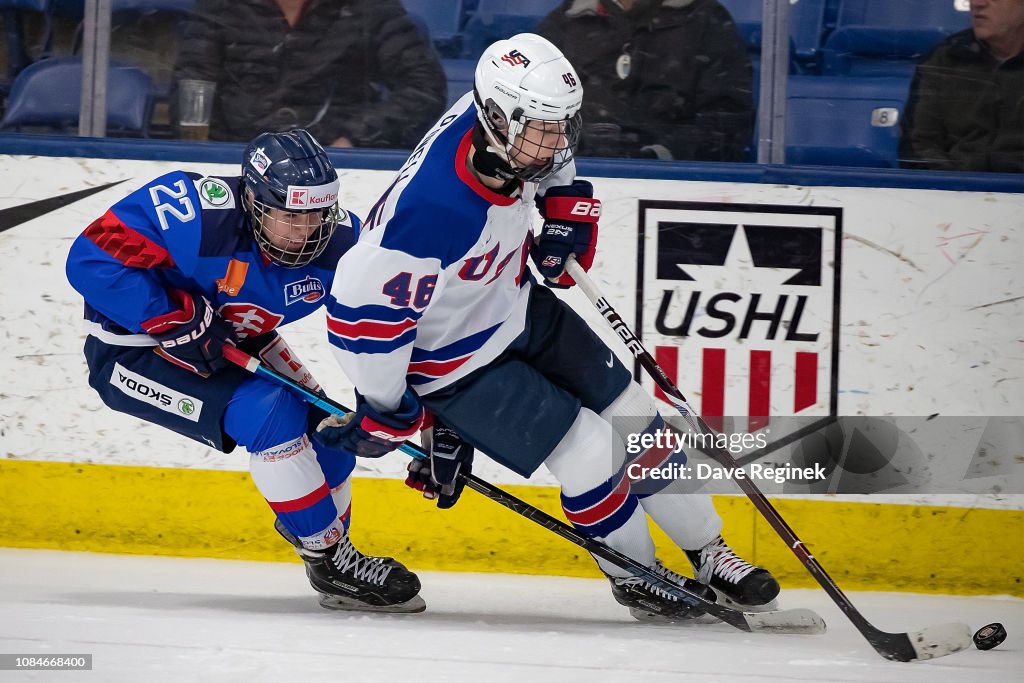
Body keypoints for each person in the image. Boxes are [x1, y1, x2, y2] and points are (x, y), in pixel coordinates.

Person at [319, 33, 779, 622]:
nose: (557, 141)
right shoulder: (429, 213)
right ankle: (639, 576)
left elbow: (557, 165)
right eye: (542, 128)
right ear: (497, 117)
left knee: (640, 421)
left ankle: (710, 553)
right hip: (454, 361)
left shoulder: (507, 129)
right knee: (590, 452)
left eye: (563, 125)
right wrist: (393, 408)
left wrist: (564, 213)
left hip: (516, 307)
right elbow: (359, 314)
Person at [64, 129, 424, 613]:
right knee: (270, 413)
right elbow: (90, 260)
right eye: (289, 215)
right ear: (253, 200)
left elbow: (397, 323)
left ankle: (325, 541)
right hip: (133, 350)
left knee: (329, 428)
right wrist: (171, 314)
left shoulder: (343, 247)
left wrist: (426, 421)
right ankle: (330, 557)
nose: (305, 230)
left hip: (230, 342)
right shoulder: (195, 213)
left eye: (317, 214)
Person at [172, 0, 448, 148]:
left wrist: (356, 137)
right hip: (238, 156)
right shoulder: (220, 7)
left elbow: (424, 88)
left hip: (336, 161)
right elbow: (192, 87)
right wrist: (213, 152)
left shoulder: (369, 8)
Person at [536, 0, 755, 162]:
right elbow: (533, 118)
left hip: (677, 191)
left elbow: (727, 124)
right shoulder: (563, 25)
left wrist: (660, 154)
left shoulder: (707, 22)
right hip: (574, 179)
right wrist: (582, 151)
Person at [899, 0, 1024, 172]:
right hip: (951, 189)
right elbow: (919, 146)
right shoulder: (945, 58)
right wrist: (954, 187)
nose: (977, 3)